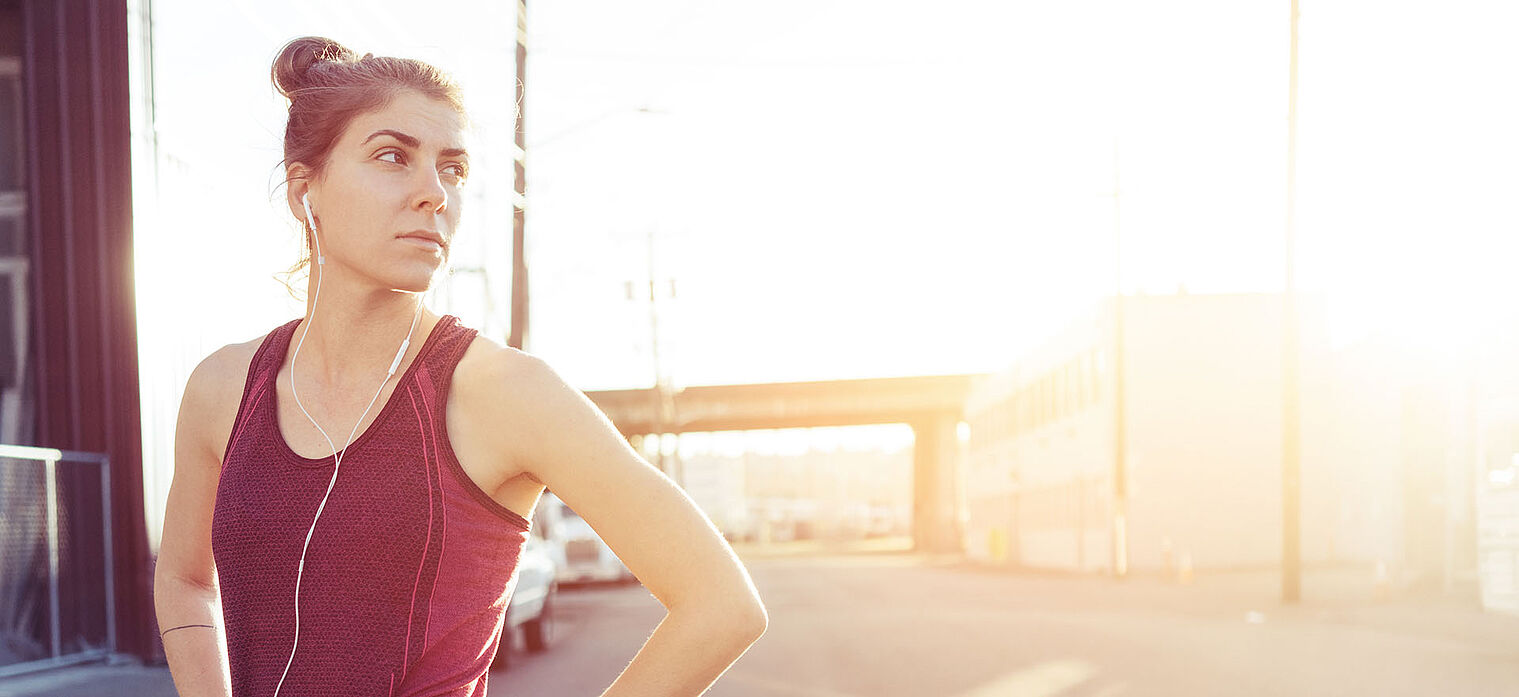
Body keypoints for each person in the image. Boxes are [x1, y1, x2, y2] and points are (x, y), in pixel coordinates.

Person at [153, 36, 767, 697]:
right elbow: (186, 580)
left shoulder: (505, 392)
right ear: (307, 189)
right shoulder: (223, 389)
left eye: (453, 169)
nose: (434, 194)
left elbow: (720, 602)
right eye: (393, 156)